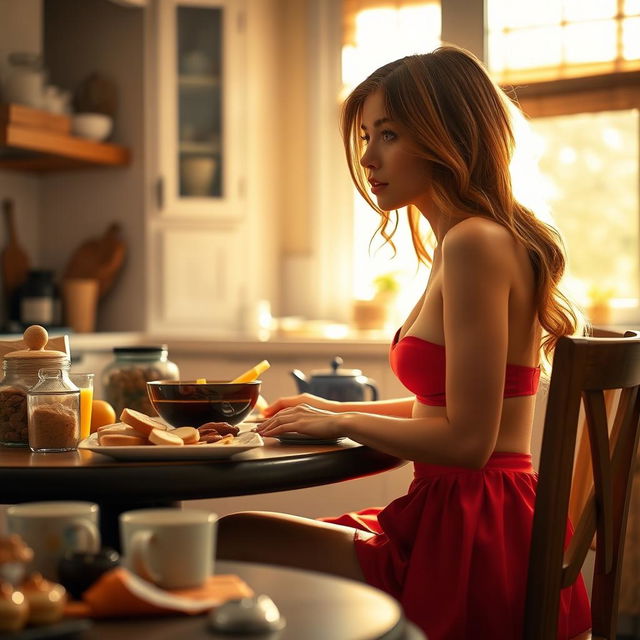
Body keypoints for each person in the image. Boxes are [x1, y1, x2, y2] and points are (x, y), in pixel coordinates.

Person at [217, 46, 591, 639]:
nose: (367, 157)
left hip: (469, 536)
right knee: (237, 539)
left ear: (447, 135)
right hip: (467, 520)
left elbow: (468, 442)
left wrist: (342, 423)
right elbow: (446, 411)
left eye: (387, 134)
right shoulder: (472, 240)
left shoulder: (474, 244)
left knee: (228, 538)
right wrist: (333, 410)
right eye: (366, 135)